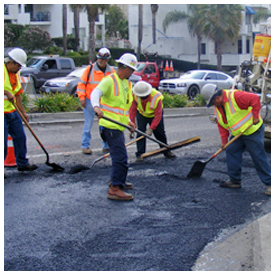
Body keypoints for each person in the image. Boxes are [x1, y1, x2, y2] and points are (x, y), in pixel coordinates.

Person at [201, 84, 271, 196]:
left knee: (258, 156)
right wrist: (224, 141)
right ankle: (235, 181)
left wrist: (255, 116)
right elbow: (222, 125)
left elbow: (254, 98)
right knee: (231, 150)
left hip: (252, 130)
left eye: (213, 102)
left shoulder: (235, 96)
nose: (213, 105)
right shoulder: (217, 108)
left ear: (217, 97)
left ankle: (270, 184)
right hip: (238, 133)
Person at [91, 53, 138, 201]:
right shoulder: (109, 80)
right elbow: (95, 93)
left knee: (120, 156)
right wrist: (96, 107)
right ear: (125, 68)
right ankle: (115, 189)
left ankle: (119, 180)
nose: (132, 73)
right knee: (121, 158)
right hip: (109, 126)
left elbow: (122, 108)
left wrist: (129, 122)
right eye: (132, 70)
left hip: (118, 126)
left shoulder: (126, 83)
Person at [4, 48, 38, 173]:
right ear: (11, 62)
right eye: (18, 66)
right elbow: (9, 92)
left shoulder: (15, 74)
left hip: (12, 111)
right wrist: (6, 92)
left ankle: (22, 163)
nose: (19, 68)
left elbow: (17, 94)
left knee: (20, 137)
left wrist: (22, 112)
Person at [76, 47, 115, 154]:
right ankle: (85, 146)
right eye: (100, 59)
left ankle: (106, 146)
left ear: (107, 60)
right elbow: (81, 84)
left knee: (104, 125)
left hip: (103, 102)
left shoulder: (111, 71)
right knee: (88, 124)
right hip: (89, 101)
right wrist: (82, 98)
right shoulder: (90, 69)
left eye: (104, 59)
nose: (102, 61)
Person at [129, 81, 176, 162]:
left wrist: (151, 128)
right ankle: (140, 154)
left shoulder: (156, 98)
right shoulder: (135, 95)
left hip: (154, 115)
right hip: (142, 114)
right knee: (140, 133)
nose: (141, 97)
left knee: (160, 133)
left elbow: (158, 115)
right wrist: (131, 126)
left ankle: (166, 150)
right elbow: (132, 110)